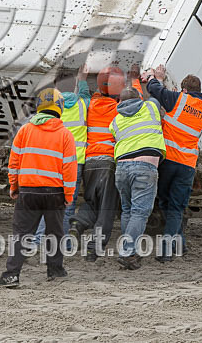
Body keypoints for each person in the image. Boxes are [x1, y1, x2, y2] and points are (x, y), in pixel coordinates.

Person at [0, 89, 77, 288]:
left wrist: (14, 186)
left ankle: (11, 275)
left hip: (28, 191)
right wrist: (68, 195)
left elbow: (13, 162)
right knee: (55, 233)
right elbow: (69, 169)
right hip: (55, 193)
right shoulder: (65, 135)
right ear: (60, 108)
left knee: (21, 234)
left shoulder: (25, 130)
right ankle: (55, 270)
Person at [69, 65, 143, 261]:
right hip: (108, 164)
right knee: (107, 210)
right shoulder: (119, 109)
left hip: (89, 163)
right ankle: (94, 250)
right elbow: (138, 103)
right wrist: (134, 80)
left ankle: (77, 224)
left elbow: (83, 91)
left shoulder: (90, 104)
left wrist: (82, 78)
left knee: (92, 202)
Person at [145, 65, 202, 261]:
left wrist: (155, 77)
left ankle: (166, 252)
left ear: (184, 90)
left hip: (169, 161)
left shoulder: (179, 100)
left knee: (166, 203)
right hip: (187, 166)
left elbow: (155, 90)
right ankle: (179, 243)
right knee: (175, 206)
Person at [110, 86, 165, 270]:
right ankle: (127, 252)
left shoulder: (115, 121)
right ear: (139, 98)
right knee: (140, 212)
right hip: (144, 166)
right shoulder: (149, 107)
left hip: (122, 168)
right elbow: (157, 96)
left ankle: (130, 251)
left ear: (119, 102)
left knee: (127, 211)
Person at [34, 66, 91, 241]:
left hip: (53, 161)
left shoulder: (49, 106)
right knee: (68, 206)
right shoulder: (82, 104)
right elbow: (85, 94)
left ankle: (37, 241)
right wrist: (82, 79)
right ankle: (62, 244)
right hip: (75, 162)